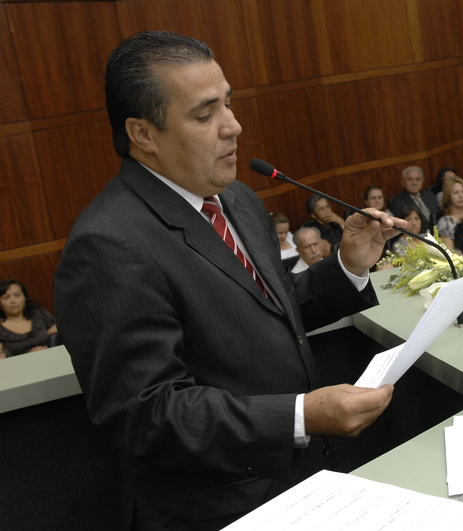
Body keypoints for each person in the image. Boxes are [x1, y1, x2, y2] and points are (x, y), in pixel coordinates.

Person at [53, 31, 402, 530]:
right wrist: (301, 416)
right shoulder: (108, 244)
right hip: (222, 508)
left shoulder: (234, 198)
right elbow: (147, 413)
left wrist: (347, 266)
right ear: (143, 134)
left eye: (229, 103)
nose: (233, 126)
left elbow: (265, 312)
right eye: (205, 114)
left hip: (306, 481)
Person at [0, 279, 57, 357]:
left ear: (25, 297)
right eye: (6, 297)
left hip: (52, 357)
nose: (13, 301)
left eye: (17, 295)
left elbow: (60, 338)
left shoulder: (40, 315)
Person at [387, 166, 438, 234]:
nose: (414, 183)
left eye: (418, 179)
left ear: (422, 181)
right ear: (403, 182)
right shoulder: (397, 202)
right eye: (410, 179)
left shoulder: (429, 195)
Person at [437, 176, 463, 250]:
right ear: (448, 196)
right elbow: (450, 252)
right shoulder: (445, 222)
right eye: (455, 193)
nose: (461, 196)